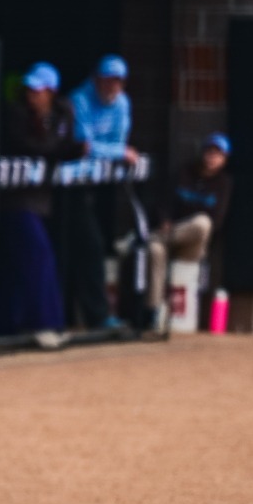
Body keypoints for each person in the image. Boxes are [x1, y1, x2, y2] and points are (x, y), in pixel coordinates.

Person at [0, 62, 87, 347]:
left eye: (38, 90)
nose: (31, 95)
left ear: (51, 91)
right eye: (30, 89)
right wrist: (64, 149)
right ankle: (45, 324)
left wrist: (71, 148)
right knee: (39, 256)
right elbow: (33, 146)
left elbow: (62, 144)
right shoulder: (16, 114)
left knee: (22, 262)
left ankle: (11, 325)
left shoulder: (62, 113)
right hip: (14, 199)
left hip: (43, 200)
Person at [64, 54, 140, 330]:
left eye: (118, 82)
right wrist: (116, 152)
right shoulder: (79, 99)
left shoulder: (122, 104)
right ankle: (91, 317)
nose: (112, 87)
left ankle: (91, 316)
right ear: (96, 79)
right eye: (108, 81)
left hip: (101, 185)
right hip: (68, 186)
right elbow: (83, 145)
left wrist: (113, 151)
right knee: (87, 245)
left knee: (98, 244)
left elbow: (119, 144)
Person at [146, 133, 232, 332]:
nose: (212, 157)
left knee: (203, 223)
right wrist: (164, 220)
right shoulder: (184, 172)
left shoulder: (224, 183)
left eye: (218, 154)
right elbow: (164, 203)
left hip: (194, 244)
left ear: (224, 159)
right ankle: (155, 312)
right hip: (172, 235)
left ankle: (152, 237)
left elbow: (216, 221)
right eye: (209, 151)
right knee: (154, 249)